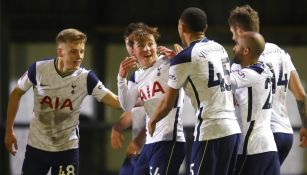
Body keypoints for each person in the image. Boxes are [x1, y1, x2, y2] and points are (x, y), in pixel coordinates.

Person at [4, 28, 121, 175]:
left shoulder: (86, 78)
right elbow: (16, 93)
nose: (79, 56)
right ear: (60, 52)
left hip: (66, 151)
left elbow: (117, 103)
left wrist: (143, 95)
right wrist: (9, 131)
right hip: (36, 148)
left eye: (82, 51)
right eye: (74, 51)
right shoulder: (39, 69)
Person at [148, 7, 241, 175]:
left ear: (181, 27)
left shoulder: (184, 58)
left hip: (210, 130)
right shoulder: (219, 48)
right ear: (205, 28)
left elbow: (167, 103)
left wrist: (152, 120)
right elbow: (201, 71)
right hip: (232, 129)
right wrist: (179, 59)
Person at [228, 4, 307, 165]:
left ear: (238, 30)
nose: (232, 38)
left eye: (232, 33)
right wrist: (305, 125)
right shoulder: (280, 53)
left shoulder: (246, 57)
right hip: (285, 133)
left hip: (260, 137)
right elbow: (300, 94)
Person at [117, 22, 186, 175]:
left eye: (151, 44)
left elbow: (189, 78)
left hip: (169, 140)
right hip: (150, 143)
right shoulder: (137, 76)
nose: (147, 49)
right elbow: (127, 106)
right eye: (142, 45)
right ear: (133, 52)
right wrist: (121, 78)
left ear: (156, 45)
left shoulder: (168, 62)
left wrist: (181, 61)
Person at [230, 31, 280, 174]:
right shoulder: (264, 69)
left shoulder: (251, 74)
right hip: (269, 147)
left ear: (246, 50)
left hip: (251, 148)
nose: (234, 48)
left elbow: (221, 81)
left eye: (237, 44)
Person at [111, 23, 147, 175]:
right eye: (129, 43)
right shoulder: (136, 75)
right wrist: (118, 126)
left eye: (136, 43)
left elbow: (163, 109)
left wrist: (140, 140)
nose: (132, 48)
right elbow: (135, 107)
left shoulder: (158, 70)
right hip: (138, 149)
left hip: (155, 145)